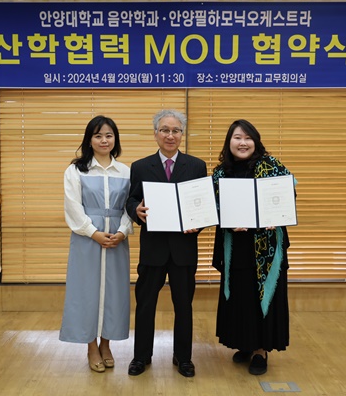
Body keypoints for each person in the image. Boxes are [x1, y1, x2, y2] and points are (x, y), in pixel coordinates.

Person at [125, 109, 207, 378]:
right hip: (153, 248)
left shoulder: (196, 166)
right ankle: (141, 356)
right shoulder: (140, 166)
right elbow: (131, 199)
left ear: (182, 134)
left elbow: (203, 204)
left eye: (175, 130)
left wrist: (199, 223)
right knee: (145, 304)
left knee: (184, 306)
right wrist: (136, 210)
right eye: (165, 130)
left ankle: (183, 357)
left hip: (184, 248)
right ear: (155, 134)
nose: (170, 135)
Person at [211, 119, 294, 376]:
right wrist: (226, 221)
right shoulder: (221, 173)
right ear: (229, 142)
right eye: (237, 137)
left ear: (256, 141)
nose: (243, 143)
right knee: (241, 296)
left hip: (266, 247)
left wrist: (275, 216)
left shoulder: (271, 165)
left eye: (248, 138)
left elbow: (288, 194)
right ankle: (245, 343)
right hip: (235, 245)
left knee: (262, 297)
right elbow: (213, 207)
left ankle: (260, 350)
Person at [59, 115, 133, 373]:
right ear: (89, 139)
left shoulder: (125, 171)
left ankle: (106, 344)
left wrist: (122, 232)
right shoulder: (76, 170)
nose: (104, 140)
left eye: (109, 135)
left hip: (116, 241)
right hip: (87, 240)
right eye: (98, 135)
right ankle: (91, 346)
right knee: (86, 291)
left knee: (114, 293)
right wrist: (93, 233)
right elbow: (73, 207)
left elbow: (130, 206)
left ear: (115, 139)